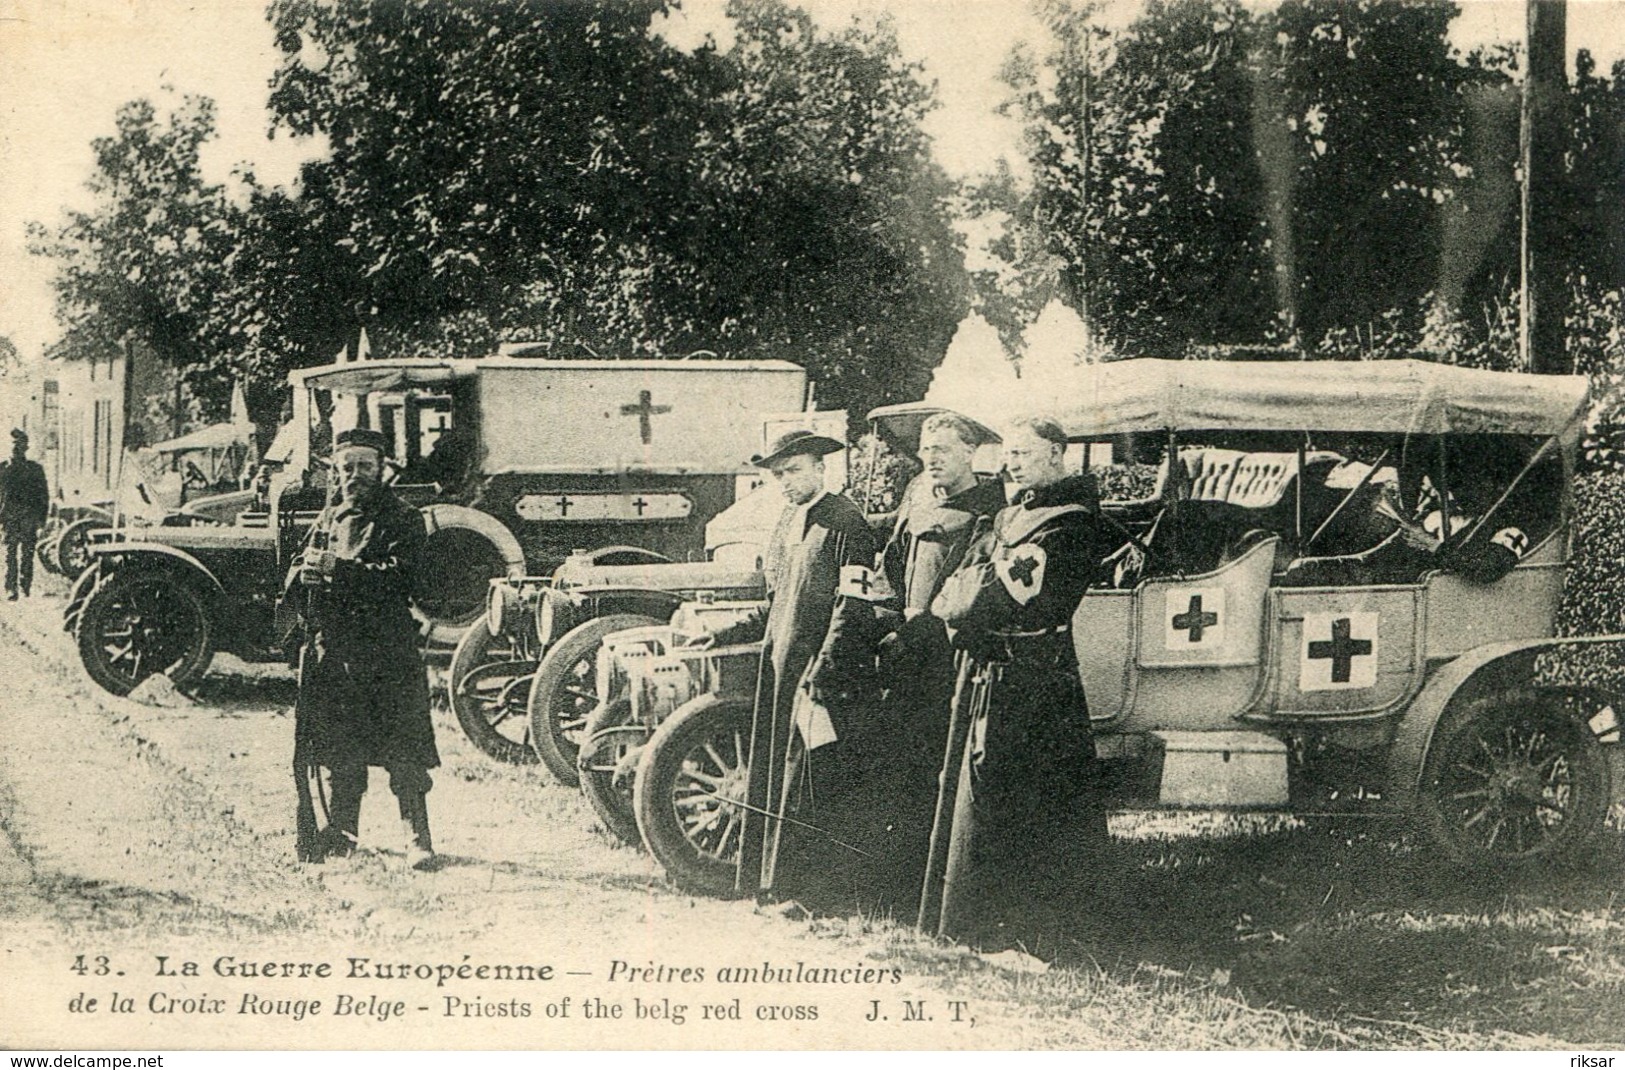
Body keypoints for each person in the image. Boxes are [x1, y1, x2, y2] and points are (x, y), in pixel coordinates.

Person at [919, 416, 1119, 954]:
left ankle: (1034, 936)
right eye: (1008, 454)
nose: (1012, 463)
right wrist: (969, 590)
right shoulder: (1012, 513)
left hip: (1037, 679)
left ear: (1057, 456)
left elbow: (1004, 596)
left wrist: (969, 592)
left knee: (1032, 804)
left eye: (1024, 454)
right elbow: (960, 583)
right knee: (983, 797)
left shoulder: (1071, 522)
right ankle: (978, 927)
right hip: (994, 671)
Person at [704, 429, 879, 906]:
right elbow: (775, 605)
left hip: (822, 676)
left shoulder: (847, 523)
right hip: (779, 669)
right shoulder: (785, 523)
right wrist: (724, 633)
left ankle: (812, 894)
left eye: (795, 470)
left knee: (810, 779)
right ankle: (768, 884)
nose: (786, 481)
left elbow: (853, 605)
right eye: (779, 474)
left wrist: (824, 668)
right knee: (775, 773)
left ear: (822, 468)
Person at [869, 412, 1005, 909]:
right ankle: (901, 877)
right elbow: (892, 560)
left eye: (943, 451)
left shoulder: (991, 509)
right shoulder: (918, 495)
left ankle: (937, 886)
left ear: (971, 452)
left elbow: (973, 585)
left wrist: (921, 628)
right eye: (927, 451)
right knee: (901, 761)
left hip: (950, 656)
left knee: (941, 765)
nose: (932, 460)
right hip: (906, 648)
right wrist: (885, 618)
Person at [288, 427, 438, 870]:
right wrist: (305, 575)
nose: (355, 475)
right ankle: (342, 832)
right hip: (335, 649)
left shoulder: (404, 518)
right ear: (337, 472)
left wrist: (339, 570)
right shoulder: (330, 518)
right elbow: (299, 564)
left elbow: (405, 579)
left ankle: (417, 837)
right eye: (347, 467)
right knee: (339, 745)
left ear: (382, 469)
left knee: (403, 750)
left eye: (365, 467)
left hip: (387, 649)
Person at [0, 429, 50, 601]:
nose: (16, 448)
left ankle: (25, 585)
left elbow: (43, 497)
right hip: (9, 517)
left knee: (27, 554)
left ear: (25, 447)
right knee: (9, 554)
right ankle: (11, 588)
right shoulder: (2, 469)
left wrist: (42, 522)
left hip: (29, 517)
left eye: (19, 445)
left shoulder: (35, 470)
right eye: (13, 445)